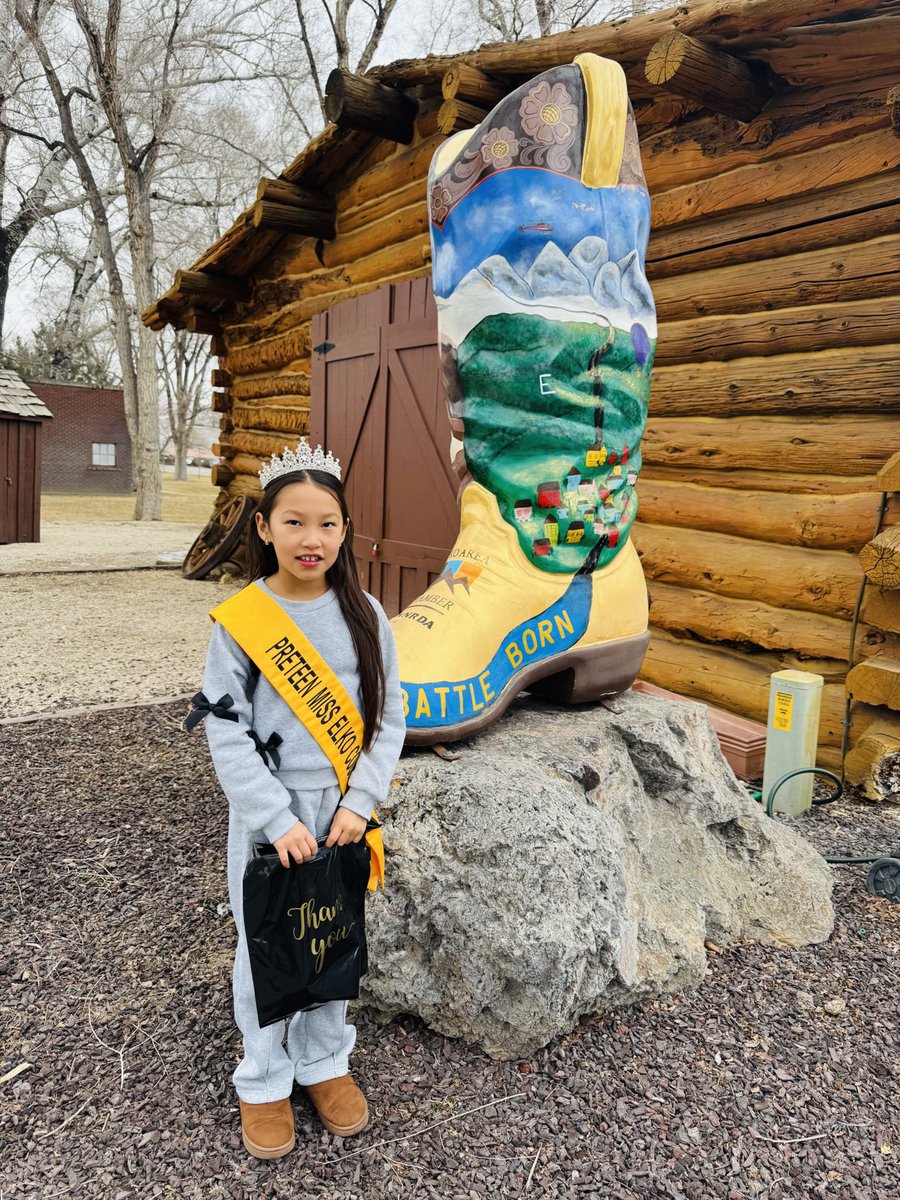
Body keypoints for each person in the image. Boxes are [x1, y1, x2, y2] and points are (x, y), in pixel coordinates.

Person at [193, 440, 405, 1160]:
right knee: (266, 947)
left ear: (345, 532)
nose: (311, 539)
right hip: (269, 820)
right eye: (294, 522)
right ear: (263, 527)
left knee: (331, 935)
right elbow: (226, 732)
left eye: (327, 524)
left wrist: (361, 799)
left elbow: (388, 717)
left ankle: (323, 1062)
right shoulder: (241, 621)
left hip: (344, 815)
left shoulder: (368, 614)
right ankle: (263, 1077)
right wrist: (275, 818)